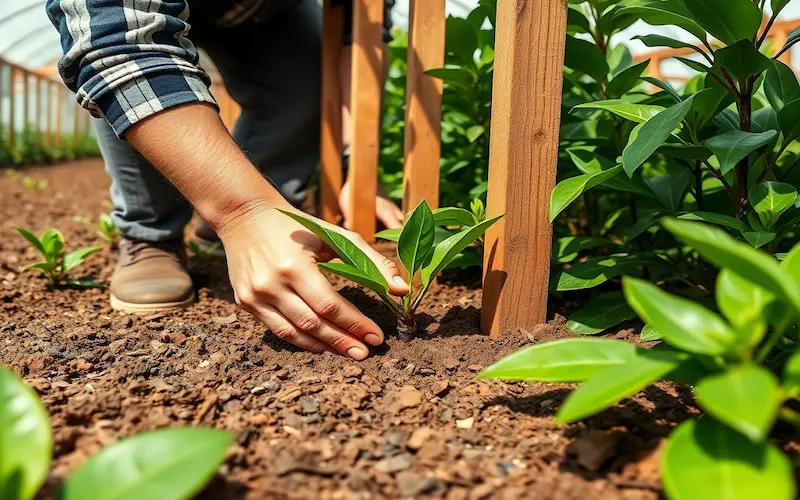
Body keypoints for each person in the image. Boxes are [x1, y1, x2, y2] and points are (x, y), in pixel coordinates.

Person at [46, 0, 408, 361]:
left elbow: (359, 35)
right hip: (135, 13)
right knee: (140, 76)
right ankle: (151, 234)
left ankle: (259, 234)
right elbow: (117, 44)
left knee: (303, 82)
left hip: (258, 9)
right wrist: (242, 211)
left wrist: (356, 166)